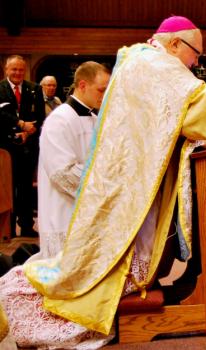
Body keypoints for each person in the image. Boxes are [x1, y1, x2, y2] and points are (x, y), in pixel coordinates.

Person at [0, 15, 206, 348]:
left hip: (131, 176)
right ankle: (20, 303)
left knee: (106, 259)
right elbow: (197, 103)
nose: (196, 62)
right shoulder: (154, 64)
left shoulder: (144, 60)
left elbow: (174, 117)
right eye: (196, 54)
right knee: (98, 269)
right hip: (129, 183)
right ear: (176, 43)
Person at [36, 62, 110, 260]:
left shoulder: (95, 118)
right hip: (63, 210)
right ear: (83, 85)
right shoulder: (59, 119)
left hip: (89, 210)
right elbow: (62, 173)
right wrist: (103, 185)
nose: (104, 95)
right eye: (101, 90)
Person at [0, 55, 46, 238]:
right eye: (14, 69)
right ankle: (7, 228)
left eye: (20, 69)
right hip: (5, 149)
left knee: (26, 188)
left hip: (28, 147)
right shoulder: (0, 89)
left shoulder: (34, 89)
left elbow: (41, 117)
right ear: (6, 70)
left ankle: (26, 226)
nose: (18, 73)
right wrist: (20, 125)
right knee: (6, 189)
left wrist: (28, 132)